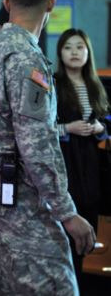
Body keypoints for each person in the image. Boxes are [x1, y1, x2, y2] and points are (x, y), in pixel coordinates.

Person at [0, 0, 96, 294]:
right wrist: (67, 213)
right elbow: (36, 142)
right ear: (50, 4)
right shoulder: (26, 58)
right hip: (16, 197)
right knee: (57, 287)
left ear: (7, 3)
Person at [54, 28, 109, 284]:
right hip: (65, 163)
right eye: (68, 47)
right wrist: (68, 128)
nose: (75, 52)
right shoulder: (53, 84)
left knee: (89, 235)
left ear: (88, 51)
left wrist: (100, 129)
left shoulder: (95, 85)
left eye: (80, 47)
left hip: (91, 165)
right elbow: (38, 129)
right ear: (60, 52)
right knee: (66, 241)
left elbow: (106, 126)